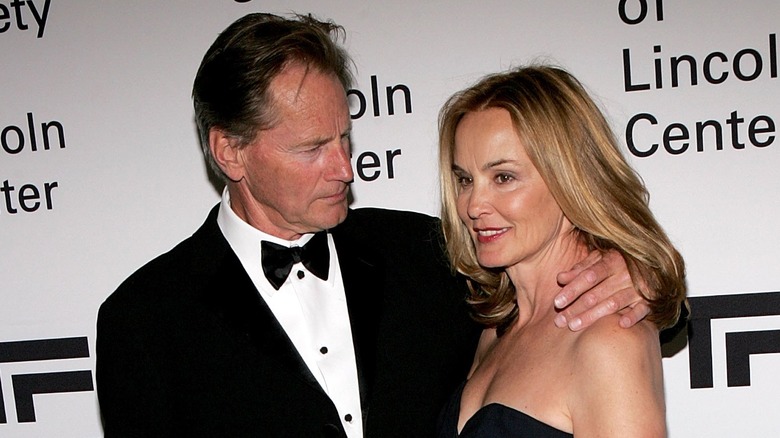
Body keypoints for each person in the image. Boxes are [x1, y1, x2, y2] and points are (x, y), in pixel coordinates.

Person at [96, 13, 651, 438]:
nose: (345, 167)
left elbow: (572, 321)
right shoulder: (144, 323)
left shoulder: (431, 253)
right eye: (314, 148)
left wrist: (638, 277)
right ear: (231, 152)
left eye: (344, 138)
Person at [435, 65, 687, 437]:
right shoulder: (495, 332)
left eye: (503, 177)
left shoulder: (609, 339)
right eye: (465, 180)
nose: (473, 204)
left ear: (570, 178)